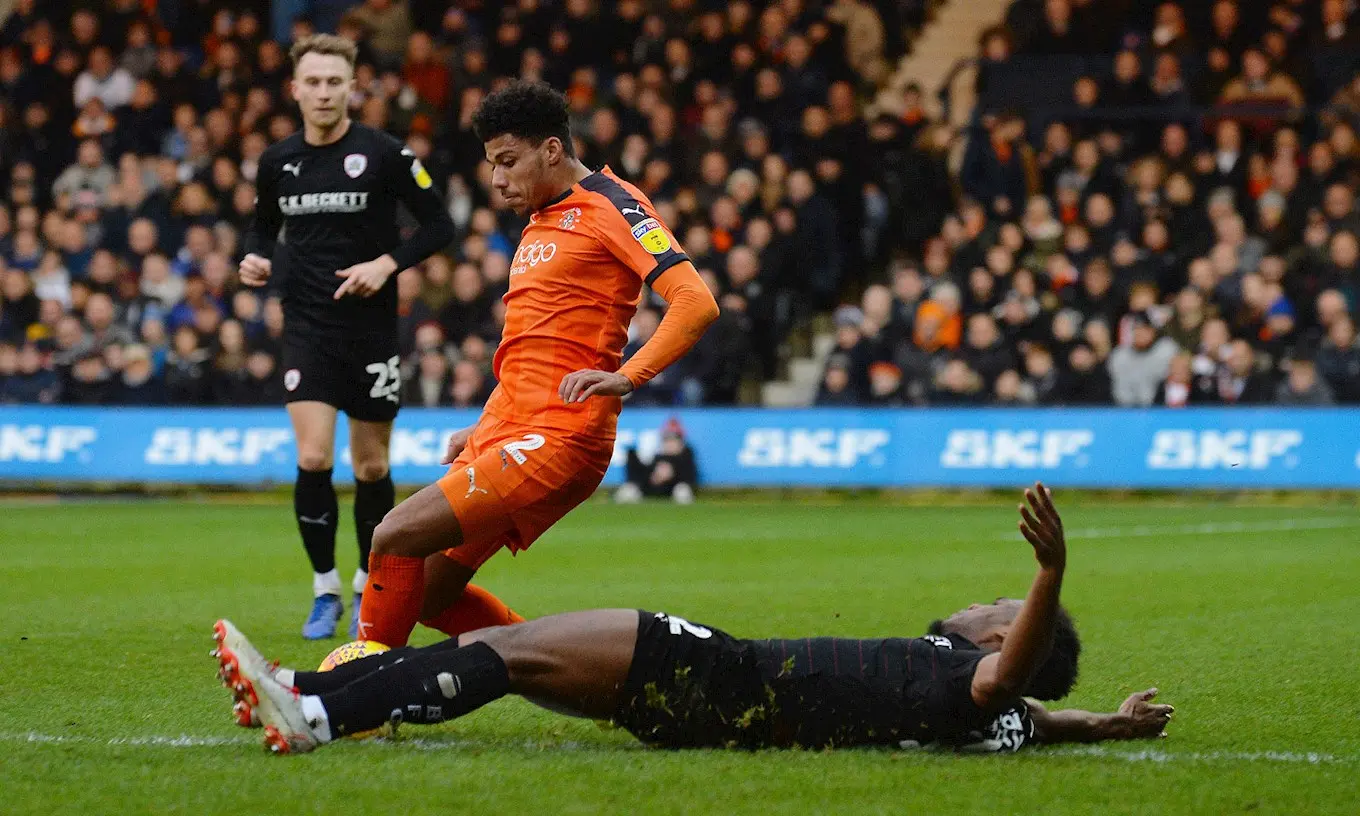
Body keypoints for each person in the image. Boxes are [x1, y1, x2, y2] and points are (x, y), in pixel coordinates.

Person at [212, 483, 1175, 754]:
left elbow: (1014, 684)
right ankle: (303, 691)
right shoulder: (1001, 722)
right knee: (504, 655)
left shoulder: (977, 682)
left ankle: (319, 713)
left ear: (1007, 639)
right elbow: (1045, 718)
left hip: (723, 677)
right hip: (726, 701)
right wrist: (1113, 725)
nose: (974, 604)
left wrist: (1048, 575)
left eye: (994, 609)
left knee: (501, 649)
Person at [354, 81, 719, 651]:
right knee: (428, 592)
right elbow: (533, 348)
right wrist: (485, 425)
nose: (497, 179)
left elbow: (695, 301)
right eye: (491, 165)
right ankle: (576, 678)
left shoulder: (612, 205)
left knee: (394, 534)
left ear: (551, 150)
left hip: (561, 433)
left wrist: (628, 375)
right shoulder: (542, 218)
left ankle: (353, 685)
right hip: (510, 425)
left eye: (508, 161)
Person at [239, 35, 457, 640]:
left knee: (371, 464)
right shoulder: (277, 161)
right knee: (313, 457)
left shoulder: (384, 154)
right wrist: (254, 259)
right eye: (313, 82)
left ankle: (368, 581)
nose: (324, 92)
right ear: (295, 89)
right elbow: (261, 230)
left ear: (352, 87)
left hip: (371, 330)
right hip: (306, 326)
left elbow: (440, 225)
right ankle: (324, 590)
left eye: (335, 81)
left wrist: (387, 264)